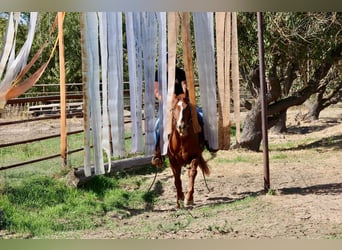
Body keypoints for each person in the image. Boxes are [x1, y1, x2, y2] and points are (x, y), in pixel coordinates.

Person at [151, 56, 203, 167]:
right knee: (157, 125)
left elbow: (184, 85)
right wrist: (165, 99)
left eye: (172, 62)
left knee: (201, 115)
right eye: (167, 62)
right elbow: (156, 90)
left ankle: (204, 142)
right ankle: (157, 153)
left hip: (182, 102)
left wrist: (185, 94)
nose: (170, 65)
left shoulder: (180, 72)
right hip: (168, 105)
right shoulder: (158, 74)